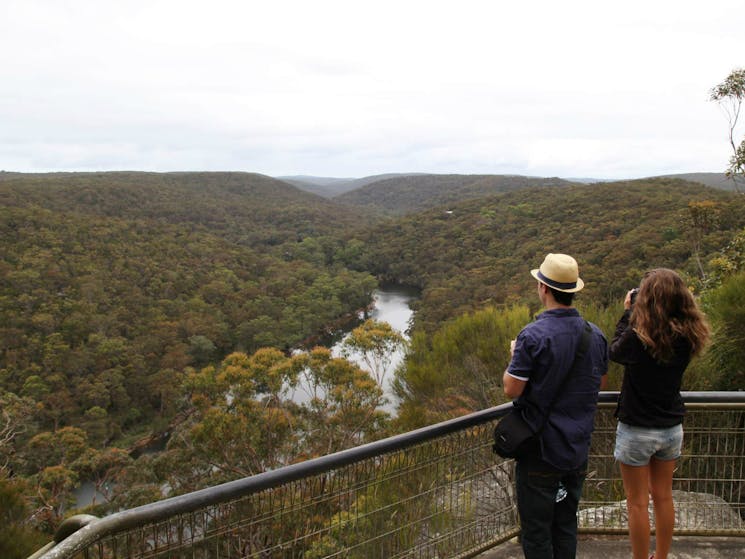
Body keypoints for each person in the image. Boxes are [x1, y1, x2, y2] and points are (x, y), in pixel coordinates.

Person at [503, 253, 609, 559]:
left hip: (540, 451)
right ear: (573, 290)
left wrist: (514, 357)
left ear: (543, 289)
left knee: (536, 533)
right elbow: (598, 385)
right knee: (565, 526)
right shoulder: (596, 336)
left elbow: (512, 388)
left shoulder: (532, 335)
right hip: (576, 450)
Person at [610, 269, 710, 559]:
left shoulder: (639, 335)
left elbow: (614, 352)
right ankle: (662, 556)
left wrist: (627, 314)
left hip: (637, 429)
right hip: (670, 428)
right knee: (664, 497)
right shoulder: (689, 336)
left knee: (637, 503)